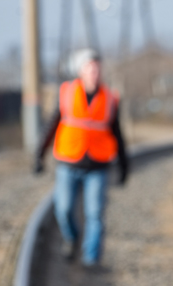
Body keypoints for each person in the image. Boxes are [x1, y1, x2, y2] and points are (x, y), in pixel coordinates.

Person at [34, 48, 129, 267]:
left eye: (97, 68)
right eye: (90, 68)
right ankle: (72, 237)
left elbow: (118, 134)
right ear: (81, 70)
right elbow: (51, 126)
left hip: (98, 164)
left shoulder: (110, 98)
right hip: (69, 162)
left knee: (95, 214)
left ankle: (91, 258)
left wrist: (124, 167)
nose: (94, 72)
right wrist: (39, 156)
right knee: (64, 209)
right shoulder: (67, 93)